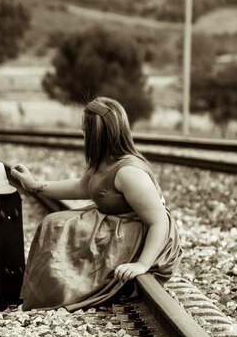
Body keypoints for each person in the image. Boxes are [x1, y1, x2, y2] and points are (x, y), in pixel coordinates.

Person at [11, 97, 182, 311]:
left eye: (85, 130)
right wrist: (33, 185)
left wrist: (142, 264)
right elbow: (80, 188)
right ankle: (50, 291)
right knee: (53, 223)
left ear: (97, 136)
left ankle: (63, 291)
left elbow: (159, 222)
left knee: (64, 230)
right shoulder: (102, 162)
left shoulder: (129, 173)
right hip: (119, 224)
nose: (82, 134)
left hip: (142, 234)